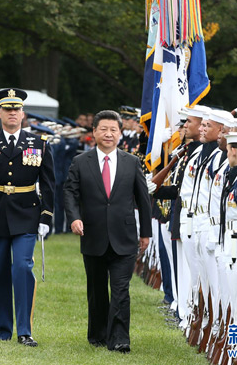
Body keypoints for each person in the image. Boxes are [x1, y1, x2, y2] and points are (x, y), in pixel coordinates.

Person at [0, 88, 55, 347]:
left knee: (22, 268)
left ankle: (25, 330)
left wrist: (45, 217)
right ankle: (3, 329)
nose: (13, 113)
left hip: (27, 213)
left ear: (23, 113)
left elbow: (49, 184)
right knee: (0, 274)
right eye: (8, 109)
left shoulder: (39, 144)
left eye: (16, 109)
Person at [64, 110, 152, 353]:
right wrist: (74, 218)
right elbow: (70, 193)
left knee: (121, 289)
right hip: (92, 235)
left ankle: (120, 338)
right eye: (103, 129)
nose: (108, 134)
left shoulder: (132, 162)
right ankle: (98, 334)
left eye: (113, 130)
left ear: (121, 134)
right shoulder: (80, 162)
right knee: (97, 289)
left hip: (124, 237)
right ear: (94, 132)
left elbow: (143, 199)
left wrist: (145, 232)